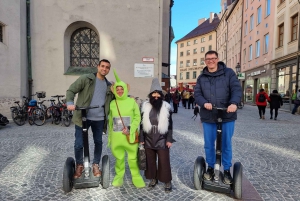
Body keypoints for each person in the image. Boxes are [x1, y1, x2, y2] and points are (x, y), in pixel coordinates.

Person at [194, 50, 242, 185]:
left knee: (226, 143)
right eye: (208, 59)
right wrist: (204, 103)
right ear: (205, 61)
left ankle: (226, 170)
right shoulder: (201, 77)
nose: (211, 61)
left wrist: (233, 103)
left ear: (217, 59)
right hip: (208, 115)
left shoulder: (229, 73)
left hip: (227, 114)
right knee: (209, 144)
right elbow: (197, 94)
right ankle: (210, 167)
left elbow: (236, 89)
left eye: (213, 58)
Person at [66, 59, 114, 179]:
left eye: (107, 67)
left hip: (99, 119)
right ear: (98, 67)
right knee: (79, 144)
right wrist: (70, 103)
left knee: (98, 142)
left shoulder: (109, 86)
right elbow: (71, 90)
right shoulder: (86, 79)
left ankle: (96, 164)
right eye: (102, 66)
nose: (104, 69)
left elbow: (118, 96)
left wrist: (130, 98)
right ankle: (80, 165)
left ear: (109, 70)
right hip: (83, 117)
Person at [108, 70, 145, 188]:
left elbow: (137, 117)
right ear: (114, 90)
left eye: (122, 89)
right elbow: (110, 121)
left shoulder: (131, 102)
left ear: (125, 89)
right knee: (119, 158)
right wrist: (110, 137)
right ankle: (119, 176)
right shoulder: (112, 103)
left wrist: (131, 129)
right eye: (117, 89)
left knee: (132, 158)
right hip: (117, 137)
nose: (119, 91)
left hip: (130, 135)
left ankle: (136, 176)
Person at [139, 78, 174, 192]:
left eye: (158, 93)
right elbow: (141, 125)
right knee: (150, 161)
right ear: (150, 94)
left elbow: (170, 125)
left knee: (164, 161)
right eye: (153, 93)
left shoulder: (166, 107)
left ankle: (167, 181)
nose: (155, 96)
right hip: (148, 138)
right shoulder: (145, 106)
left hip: (162, 138)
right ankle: (153, 179)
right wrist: (142, 139)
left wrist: (169, 140)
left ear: (160, 95)